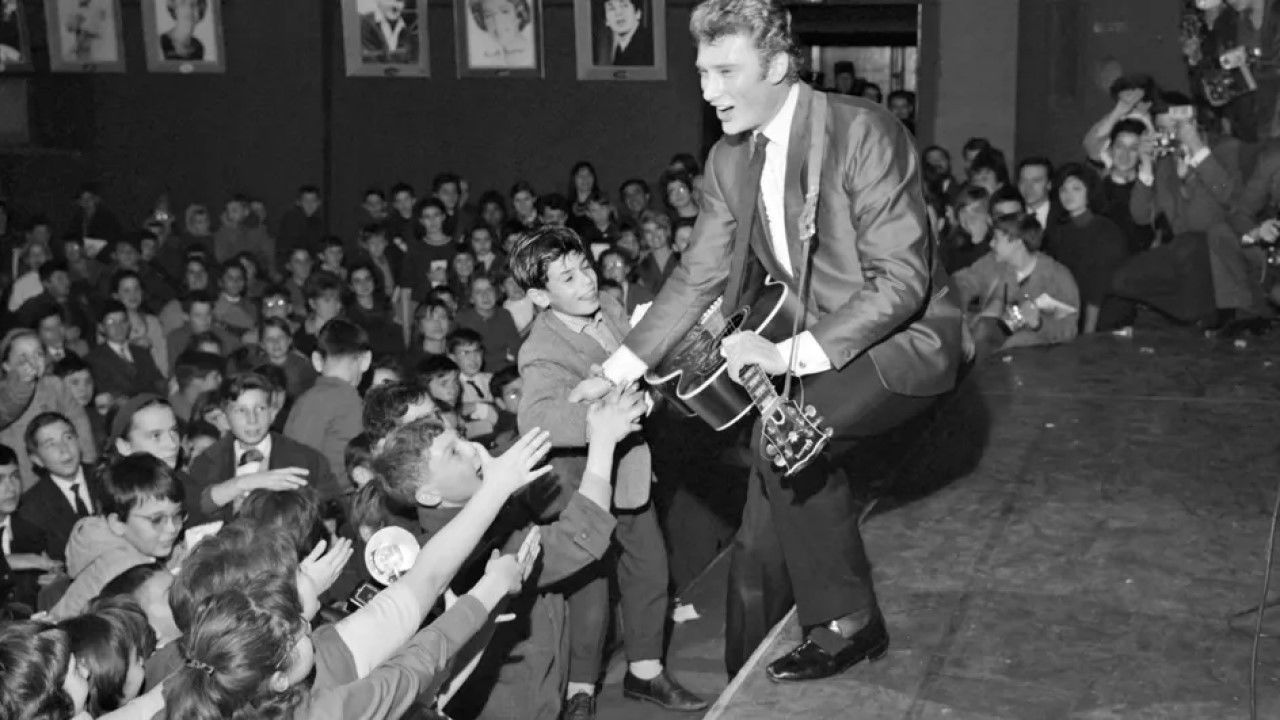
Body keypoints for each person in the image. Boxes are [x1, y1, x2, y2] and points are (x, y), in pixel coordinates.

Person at [575, 0, 965, 683]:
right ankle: (746, 676)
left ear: (781, 66)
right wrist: (617, 369)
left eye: (727, 71)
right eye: (701, 72)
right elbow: (697, 276)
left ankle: (850, 622)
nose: (708, 91)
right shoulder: (730, 159)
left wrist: (787, 355)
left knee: (786, 436)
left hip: (903, 342)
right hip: (802, 346)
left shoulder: (864, 131)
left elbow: (902, 282)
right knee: (761, 531)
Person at [511, 229, 706, 716]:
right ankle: (580, 690)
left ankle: (645, 673)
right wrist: (600, 420)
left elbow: (641, 371)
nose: (585, 282)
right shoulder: (540, 348)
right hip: (581, 487)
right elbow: (538, 419)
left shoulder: (612, 309)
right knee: (590, 592)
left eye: (585, 267)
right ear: (539, 296)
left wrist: (650, 394)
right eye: (567, 277)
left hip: (632, 473)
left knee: (649, 571)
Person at [47, 452, 187, 620]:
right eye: (157, 520)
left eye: (177, 515)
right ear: (118, 523)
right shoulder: (125, 570)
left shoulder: (115, 544)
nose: (172, 528)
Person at [185, 372, 332, 524]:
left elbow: (329, 513)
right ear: (225, 417)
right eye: (241, 410)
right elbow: (196, 508)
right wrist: (244, 483)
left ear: (273, 413)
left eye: (260, 408)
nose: (252, 420)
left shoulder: (307, 459)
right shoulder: (206, 461)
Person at [284, 319, 370, 490]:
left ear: (316, 360)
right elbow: (301, 467)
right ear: (366, 360)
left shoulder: (308, 399)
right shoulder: (347, 400)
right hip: (331, 502)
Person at [467, 0, 535, 68]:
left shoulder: (532, 54)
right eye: (488, 15)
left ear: (519, 14)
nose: (497, 22)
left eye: (505, 12)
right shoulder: (486, 58)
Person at [594, 0, 652, 65]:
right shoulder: (615, 49)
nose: (618, 13)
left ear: (638, 13)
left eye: (624, 6)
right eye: (611, 8)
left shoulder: (651, 45)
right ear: (606, 21)